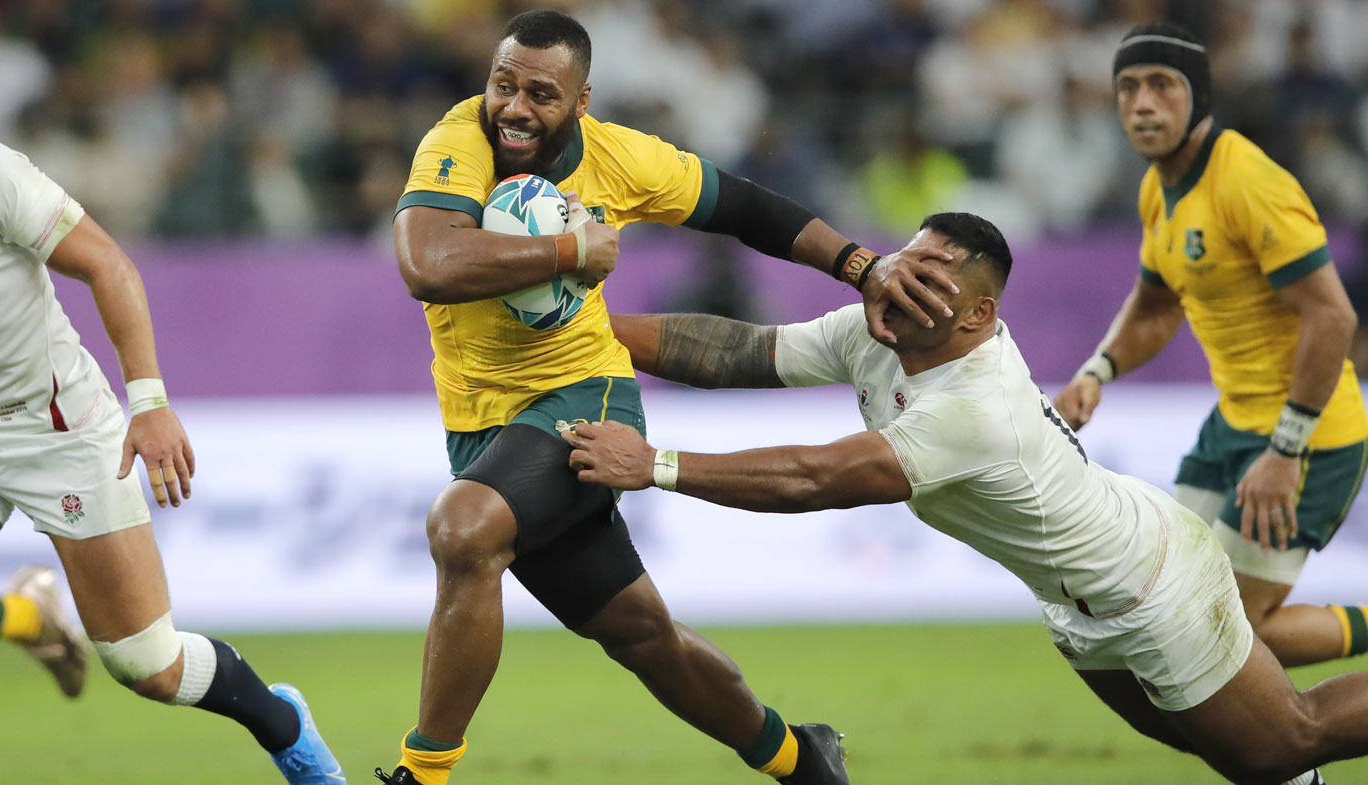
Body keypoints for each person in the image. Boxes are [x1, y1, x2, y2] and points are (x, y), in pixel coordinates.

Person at [571, 211, 1367, 785]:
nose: (900, 282)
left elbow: (818, 478)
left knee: (1281, 741)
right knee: (1218, 747)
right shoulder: (877, 326)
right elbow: (740, 351)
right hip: (1079, 598)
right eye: (902, 263)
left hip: (1152, 583)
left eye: (930, 279)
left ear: (978, 315)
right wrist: (589, 325)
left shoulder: (977, 406)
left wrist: (659, 464)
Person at [381, 9, 958, 785]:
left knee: (464, 528)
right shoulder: (457, 141)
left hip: (585, 396)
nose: (515, 107)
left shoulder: (624, 160)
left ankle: (424, 773)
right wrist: (569, 248)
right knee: (642, 634)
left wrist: (863, 266)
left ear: (582, 100)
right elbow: (427, 262)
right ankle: (803, 758)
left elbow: (748, 208)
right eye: (503, 84)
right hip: (480, 428)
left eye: (542, 94)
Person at [0, 138, 346, 785]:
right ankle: (29, 619)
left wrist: (149, 403)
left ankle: (283, 723)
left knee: (148, 666)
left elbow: (108, 264)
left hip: (58, 431)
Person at [1053, 23, 1368, 668]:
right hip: (1230, 427)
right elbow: (1157, 302)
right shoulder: (1157, 188)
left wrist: (1286, 449)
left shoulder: (1248, 182)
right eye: (1128, 87)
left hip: (1307, 438)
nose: (1142, 103)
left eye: (1161, 86)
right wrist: (1098, 369)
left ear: (1197, 97)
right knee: (1158, 607)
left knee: (1224, 638)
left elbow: (1334, 318)